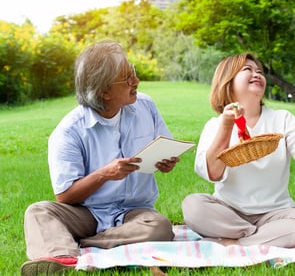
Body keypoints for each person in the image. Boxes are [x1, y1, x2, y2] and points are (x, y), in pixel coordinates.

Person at [21, 40, 180, 275]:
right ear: (104, 92)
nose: (136, 81)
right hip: (88, 213)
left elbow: (165, 146)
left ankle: (83, 247)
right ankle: (61, 259)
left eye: (133, 72)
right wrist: (104, 174)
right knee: (38, 212)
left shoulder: (146, 106)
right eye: (127, 78)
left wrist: (166, 162)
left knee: (159, 226)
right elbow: (64, 196)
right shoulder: (69, 132)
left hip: (134, 213)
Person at [182, 53, 295, 248]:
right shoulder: (215, 125)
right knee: (192, 205)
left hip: (275, 214)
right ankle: (260, 238)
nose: (257, 74)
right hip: (229, 211)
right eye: (247, 70)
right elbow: (214, 173)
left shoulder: (282, 119)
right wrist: (226, 125)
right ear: (227, 82)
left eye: (259, 71)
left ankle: (235, 243)